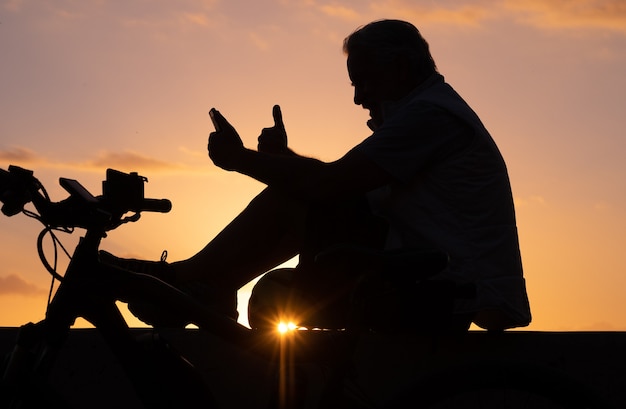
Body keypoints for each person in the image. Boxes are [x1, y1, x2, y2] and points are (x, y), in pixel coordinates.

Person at [102, 19, 531, 332]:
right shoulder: (427, 114)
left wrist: (243, 160)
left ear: (399, 69)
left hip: (444, 293)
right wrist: (283, 160)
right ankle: (205, 287)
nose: (359, 97)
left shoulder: (429, 116)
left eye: (363, 82)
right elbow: (342, 186)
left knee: (295, 202)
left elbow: (329, 186)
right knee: (272, 296)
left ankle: (182, 280)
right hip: (428, 281)